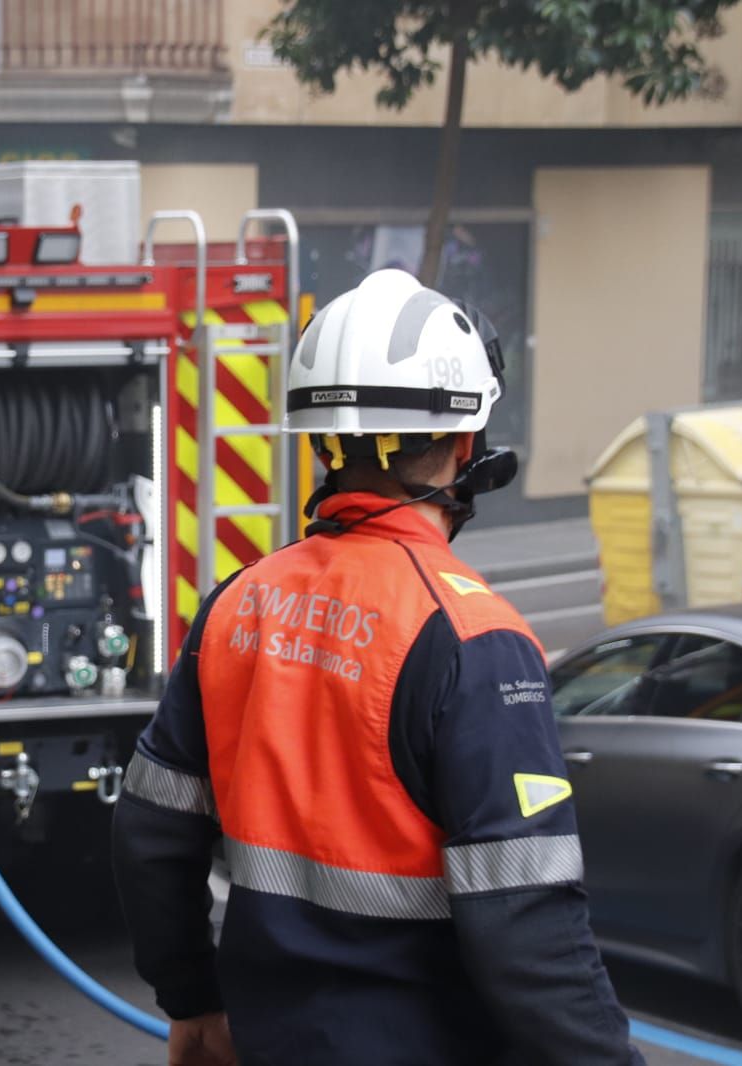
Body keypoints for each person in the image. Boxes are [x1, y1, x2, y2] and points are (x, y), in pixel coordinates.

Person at [112, 269, 644, 1066]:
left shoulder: (239, 604)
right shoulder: (474, 639)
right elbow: (529, 929)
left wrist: (192, 999)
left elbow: (150, 833)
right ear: (466, 443)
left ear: (323, 443)